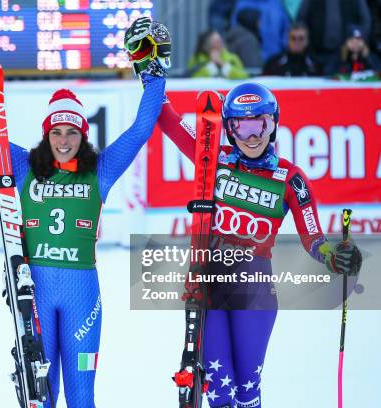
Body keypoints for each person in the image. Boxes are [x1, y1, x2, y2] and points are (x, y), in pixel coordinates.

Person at [150, 83, 362, 407]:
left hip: (255, 290)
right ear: (229, 128)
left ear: (273, 122)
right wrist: (151, 77)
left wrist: (333, 255)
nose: (252, 135)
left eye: (259, 123)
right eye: (241, 125)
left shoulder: (290, 178)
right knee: (220, 391)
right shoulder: (212, 157)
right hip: (210, 283)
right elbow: (168, 120)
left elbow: (314, 238)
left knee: (248, 390)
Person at [2, 17, 168, 407]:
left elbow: (142, 128)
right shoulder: (24, 167)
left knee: (80, 397)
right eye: (56, 132)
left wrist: (154, 73)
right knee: (41, 396)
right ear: (46, 134)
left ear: (83, 135)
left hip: (82, 295)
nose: (64, 141)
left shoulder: (100, 171)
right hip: (35, 290)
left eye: (72, 132)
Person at [297, 0, 372, 74]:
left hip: (345, 55)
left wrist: (358, 41)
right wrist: (308, 46)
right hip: (317, 53)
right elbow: (301, 20)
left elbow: (365, 20)